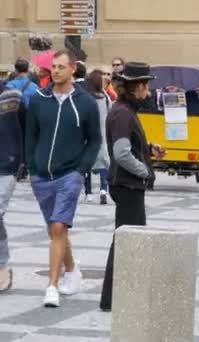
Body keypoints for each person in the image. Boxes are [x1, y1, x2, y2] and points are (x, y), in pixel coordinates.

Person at [26, 50, 101, 307]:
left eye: (61, 67)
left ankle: (52, 287)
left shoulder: (86, 103)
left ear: (72, 70)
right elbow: (31, 135)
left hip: (70, 174)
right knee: (53, 229)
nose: (56, 71)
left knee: (59, 227)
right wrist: (32, 166)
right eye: (53, 67)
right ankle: (72, 269)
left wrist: (81, 169)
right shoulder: (38, 101)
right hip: (41, 176)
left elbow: (95, 140)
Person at [100, 62, 165, 312]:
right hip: (127, 184)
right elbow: (122, 153)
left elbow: (128, 147)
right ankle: (114, 298)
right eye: (146, 86)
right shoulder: (123, 113)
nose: (148, 92)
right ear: (137, 86)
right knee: (129, 241)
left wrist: (149, 149)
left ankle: (113, 298)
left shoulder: (124, 110)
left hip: (126, 184)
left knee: (126, 240)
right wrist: (145, 171)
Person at [0, 88, 26, 292]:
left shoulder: (13, 97)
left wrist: (23, 158)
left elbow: (28, 126)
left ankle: (2, 267)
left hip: (6, 165)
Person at [83, 70, 112, 205]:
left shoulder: (85, 97)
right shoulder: (105, 97)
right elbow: (110, 113)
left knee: (87, 163)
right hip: (103, 133)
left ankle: (88, 193)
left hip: (88, 134)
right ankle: (103, 190)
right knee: (103, 163)